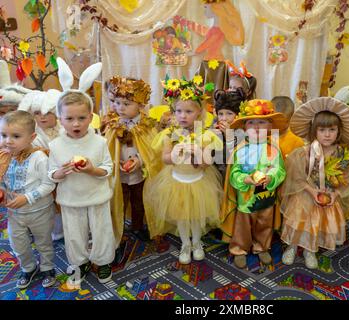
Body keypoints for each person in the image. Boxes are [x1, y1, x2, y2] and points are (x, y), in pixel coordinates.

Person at [48, 58, 115, 285]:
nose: (76, 124)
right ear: (60, 119)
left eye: (82, 118)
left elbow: (108, 169)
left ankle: (103, 260)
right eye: (69, 119)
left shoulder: (99, 142)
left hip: (97, 197)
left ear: (91, 116)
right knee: (74, 233)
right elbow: (51, 176)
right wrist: (61, 172)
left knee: (101, 230)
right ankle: (80, 262)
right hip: (70, 199)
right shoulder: (56, 145)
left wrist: (92, 169)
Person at [145, 76, 223, 264]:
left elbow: (206, 162)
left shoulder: (205, 135)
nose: (183, 115)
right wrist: (175, 154)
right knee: (181, 215)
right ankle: (185, 243)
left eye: (188, 111)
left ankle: (196, 242)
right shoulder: (170, 134)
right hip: (176, 181)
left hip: (198, 181)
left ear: (199, 113)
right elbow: (164, 157)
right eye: (179, 111)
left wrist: (197, 153)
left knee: (196, 215)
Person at [280, 97, 349, 268]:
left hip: (328, 195)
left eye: (332, 130)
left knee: (318, 224)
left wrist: (335, 193)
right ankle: (292, 246)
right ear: (314, 131)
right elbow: (296, 176)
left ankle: (310, 250)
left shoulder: (343, 154)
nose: (327, 135)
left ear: (339, 131)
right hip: (306, 193)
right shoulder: (305, 152)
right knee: (299, 221)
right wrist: (312, 191)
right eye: (322, 130)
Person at [220, 99, 286, 269]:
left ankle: (262, 247)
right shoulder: (240, 150)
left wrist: (271, 178)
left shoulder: (274, 149)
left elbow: (279, 170)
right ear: (244, 127)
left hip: (266, 196)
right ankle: (239, 249)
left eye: (262, 122)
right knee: (243, 226)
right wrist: (245, 179)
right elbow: (234, 174)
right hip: (246, 198)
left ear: (270, 126)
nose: (256, 127)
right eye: (251, 123)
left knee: (265, 223)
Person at [103, 76, 158, 264]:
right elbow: (106, 147)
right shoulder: (112, 123)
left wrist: (139, 160)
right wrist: (114, 161)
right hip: (120, 175)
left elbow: (152, 149)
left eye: (126, 103)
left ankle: (137, 226)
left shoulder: (146, 125)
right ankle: (117, 228)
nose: (120, 108)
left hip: (139, 174)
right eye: (117, 103)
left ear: (141, 105)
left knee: (139, 201)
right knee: (119, 201)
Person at [0, 111, 56, 289]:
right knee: (18, 243)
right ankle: (28, 268)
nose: (8, 141)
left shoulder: (39, 158)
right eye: (3, 135)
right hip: (14, 213)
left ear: (31, 137)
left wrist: (27, 197)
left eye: (15, 136)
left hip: (39, 212)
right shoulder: (3, 157)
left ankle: (47, 268)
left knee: (44, 242)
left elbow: (49, 184)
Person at [18, 89, 64, 241]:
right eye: (37, 113)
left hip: (60, 173)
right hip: (40, 175)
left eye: (48, 113)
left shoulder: (63, 129)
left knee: (60, 205)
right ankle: (40, 230)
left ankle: (59, 231)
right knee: (43, 207)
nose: (42, 117)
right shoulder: (32, 134)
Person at [212, 88, 245, 180]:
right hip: (216, 174)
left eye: (229, 113)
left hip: (233, 175)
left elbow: (235, 159)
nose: (224, 118)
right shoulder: (214, 126)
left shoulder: (241, 132)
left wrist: (229, 136)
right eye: (220, 114)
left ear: (238, 115)